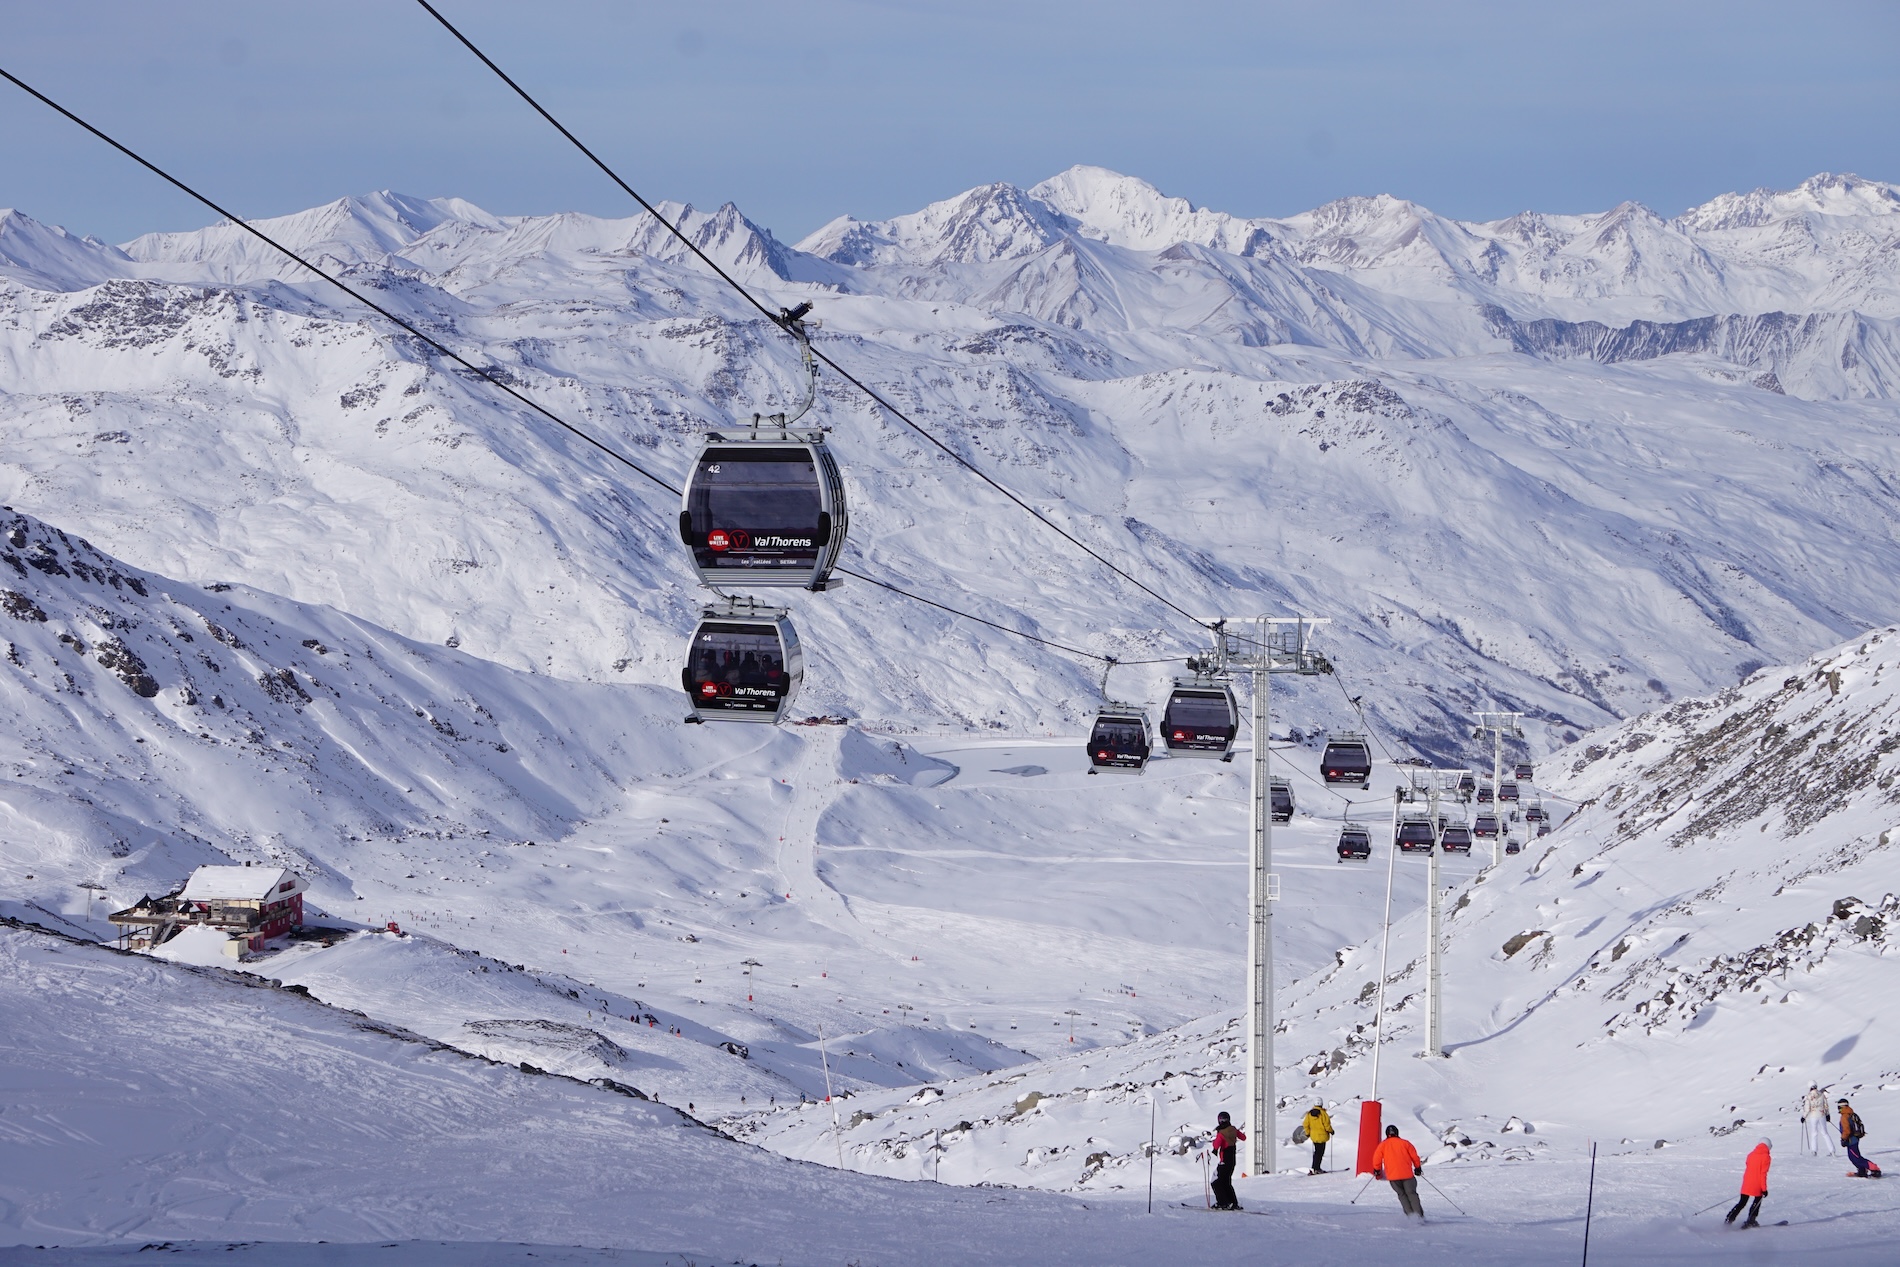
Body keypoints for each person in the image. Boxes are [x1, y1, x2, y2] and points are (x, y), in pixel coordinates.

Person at [1370, 1124, 1424, 1218]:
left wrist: (1377, 1170)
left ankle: (1411, 1216)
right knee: (1412, 1194)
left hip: (1393, 1176)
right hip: (1407, 1175)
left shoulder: (1383, 1145)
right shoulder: (1405, 1143)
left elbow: (1376, 1158)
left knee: (1402, 1195)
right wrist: (1417, 1168)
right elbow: (1414, 1157)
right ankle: (1419, 1215)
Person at [1726, 1138, 1771, 1227]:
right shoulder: (1766, 1157)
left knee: (1742, 1202)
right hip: (1757, 1184)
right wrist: (1764, 1189)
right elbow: (1763, 1174)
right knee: (1757, 1201)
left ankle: (1729, 1219)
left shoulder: (1751, 1154)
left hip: (1747, 1182)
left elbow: (1748, 1166)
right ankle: (1751, 1220)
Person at [1208, 1111, 1245, 1210]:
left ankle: (1222, 1203)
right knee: (1226, 1182)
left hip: (1224, 1160)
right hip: (1232, 1160)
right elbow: (1243, 1137)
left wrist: (1218, 1137)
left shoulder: (1221, 1133)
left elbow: (1216, 1145)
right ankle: (1233, 1203)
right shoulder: (1233, 1129)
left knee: (1215, 1182)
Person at [1839, 1098, 1881, 1177]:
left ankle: (1874, 1168)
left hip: (1851, 1139)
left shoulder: (1844, 1116)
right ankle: (1862, 1170)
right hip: (1854, 1138)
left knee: (1855, 1157)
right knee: (1854, 1156)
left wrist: (1843, 1139)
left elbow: (1846, 1130)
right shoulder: (1851, 1113)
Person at [1803, 1084, 1835, 1156]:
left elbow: (1807, 1108)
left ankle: (1814, 1151)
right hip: (1822, 1115)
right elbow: (1826, 1105)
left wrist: (1804, 1116)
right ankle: (1832, 1151)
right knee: (1825, 1133)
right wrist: (1827, 1114)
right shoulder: (1822, 1095)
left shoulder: (1809, 1096)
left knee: (1814, 1133)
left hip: (1813, 1116)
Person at [1303, 1102, 1334, 1174]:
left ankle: (1315, 1168)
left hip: (1314, 1136)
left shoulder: (1309, 1114)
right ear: (1321, 1104)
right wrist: (1331, 1131)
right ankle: (1315, 1168)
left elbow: (1305, 1124)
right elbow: (1327, 1125)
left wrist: (1308, 1133)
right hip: (1322, 1136)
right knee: (1320, 1153)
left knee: (1317, 1152)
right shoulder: (1323, 1114)